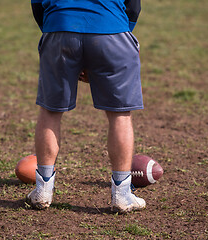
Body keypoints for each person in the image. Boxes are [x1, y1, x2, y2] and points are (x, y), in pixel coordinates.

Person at [26, 0, 145, 213]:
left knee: (50, 110)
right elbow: (133, 6)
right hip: (111, 28)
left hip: (59, 28)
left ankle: (43, 191)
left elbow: (37, 5)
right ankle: (122, 195)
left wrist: (55, 29)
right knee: (120, 114)